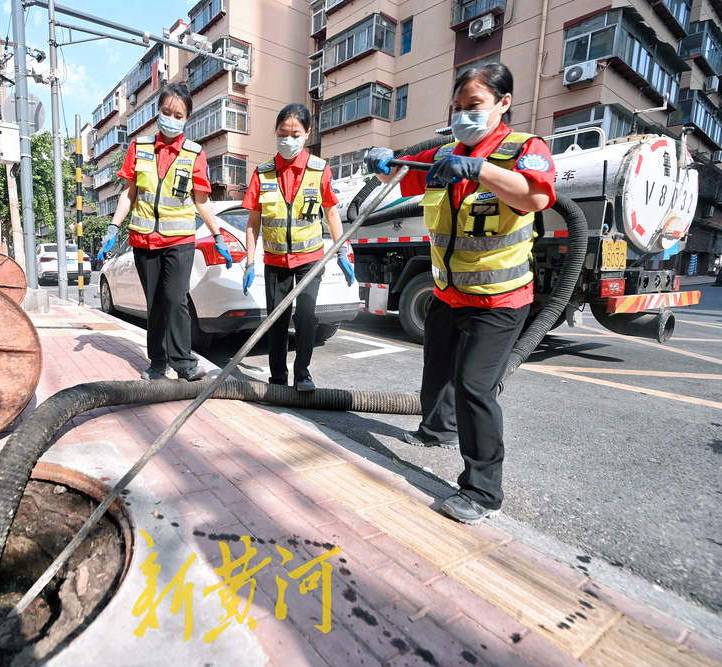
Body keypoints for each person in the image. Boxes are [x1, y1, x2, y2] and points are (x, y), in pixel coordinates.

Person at [367, 63, 555, 524]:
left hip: (500, 299)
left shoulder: (523, 149)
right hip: (450, 294)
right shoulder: (442, 156)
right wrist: (383, 165)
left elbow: (535, 199)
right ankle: (437, 431)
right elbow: (398, 181)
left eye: (474, 106)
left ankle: (483, 491)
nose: (463, 116)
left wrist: (481, 168)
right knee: (437, 370)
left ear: (503, 103)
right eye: (457, 108)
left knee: (474, 387)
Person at [95, 82, 232, 381]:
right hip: (144, 241)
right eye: (166, 111)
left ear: (187, 119)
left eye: (178, 114)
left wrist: (218, 236)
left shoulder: (194, 154)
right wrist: (112, 228)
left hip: (180, 241)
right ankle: (158, 362)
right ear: (159, 112)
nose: (171, 118)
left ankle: (183, 362)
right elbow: (128, 194)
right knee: (155, 303)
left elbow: (202, 201)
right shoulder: (139, 147)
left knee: (176, 299)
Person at [242, 103, 352, 392]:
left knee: (305, 316)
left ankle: (302, 373)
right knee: (276, 320)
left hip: (310, 260)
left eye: (295, 133)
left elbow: (330, 213)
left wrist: (341, 250)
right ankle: (277, 377)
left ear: (307, 134)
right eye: (282, 133)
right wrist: (250, 262)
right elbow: (253, 223)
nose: (287, 139)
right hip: (276, 262)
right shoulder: (263, 173)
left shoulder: (319, 170)